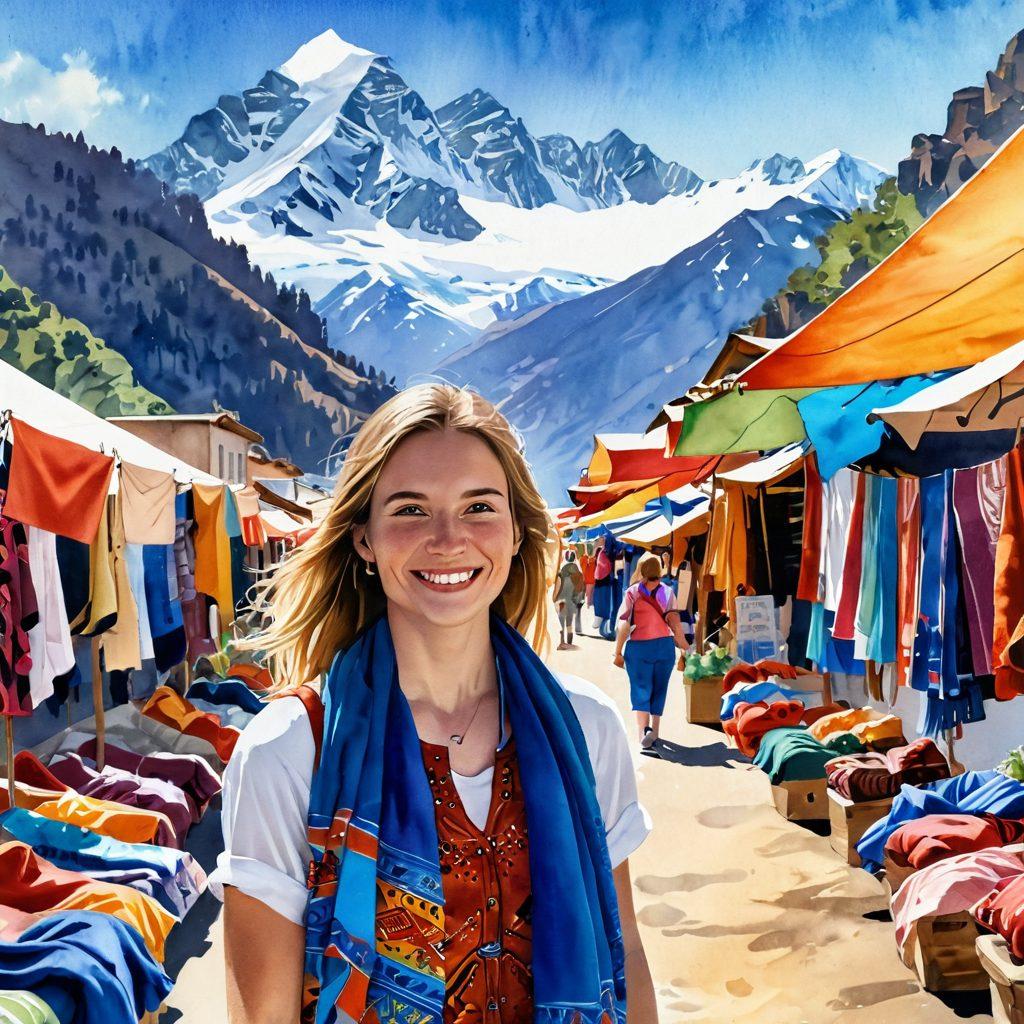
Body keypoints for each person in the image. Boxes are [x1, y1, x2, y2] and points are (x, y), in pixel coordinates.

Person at [211, 383, 658, 1024]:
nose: (449, 539)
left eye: (479, 506)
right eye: (411, 510)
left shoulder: (587, 730)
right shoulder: (288, 752)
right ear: (364, 538)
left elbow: (629, 951)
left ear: (514, 531)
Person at [613, 553, 689, 756]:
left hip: (639, 648)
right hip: (664, 647)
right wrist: (685, 650)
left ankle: (642, 734)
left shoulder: (633, 593)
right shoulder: (667, 592)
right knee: (659, 688)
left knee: (641, 690)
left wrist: (617, 652)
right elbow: (675, 624)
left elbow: (624, 625)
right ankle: (655, 730)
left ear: (641, 570)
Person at [553, 549, 585, 650]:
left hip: (561, 601)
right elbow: (580, 589)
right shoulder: (579, 573)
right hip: (571, 601)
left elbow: (557, 587)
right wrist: (579, 599)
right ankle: (569, 643)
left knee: (561, 621)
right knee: (569, 623)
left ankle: (562, 642)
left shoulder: (561, 572)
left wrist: (554, 599)